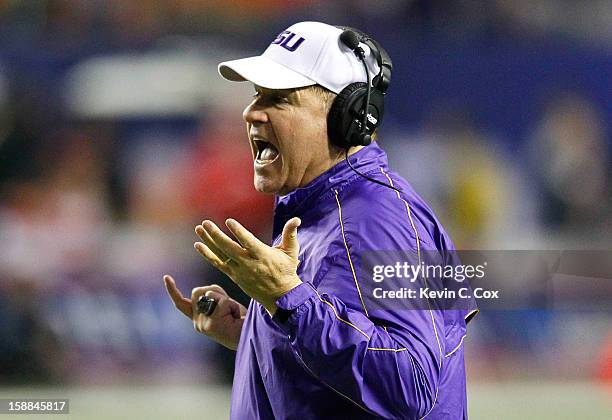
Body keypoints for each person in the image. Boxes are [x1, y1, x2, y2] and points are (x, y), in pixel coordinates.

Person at [163, 21, 477, 419]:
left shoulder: (378, 219)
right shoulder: (323, 211)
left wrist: (289, 301)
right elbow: (341, 373)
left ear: (346, 116)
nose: (250, 112)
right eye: (256, 95)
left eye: (278, 99)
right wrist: (256, 333)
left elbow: (411, 386)